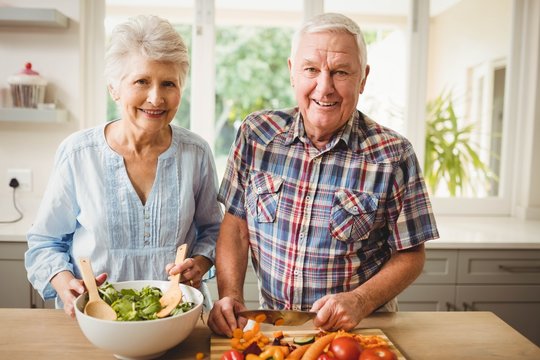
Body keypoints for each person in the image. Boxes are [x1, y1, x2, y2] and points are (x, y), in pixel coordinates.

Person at [208, 13, 439, 336]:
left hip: (359, 329)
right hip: (275, 328)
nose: (324, 87)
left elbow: (412, 253)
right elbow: (235, 226)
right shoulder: (256, 134)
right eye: (311, 70)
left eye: (341, 72)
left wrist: (359, 300)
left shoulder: (393, 155)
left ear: (363, 78)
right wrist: (230, 295)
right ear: (292, 72)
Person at [25, 14, 223, 317]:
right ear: (114, 88)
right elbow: (45, 243)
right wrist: (65, 283)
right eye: (141, 81)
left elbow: (213, 231)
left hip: (178, 317)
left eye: (168, 83)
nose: (156, 98)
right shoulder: (78, 154)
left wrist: (200, 262)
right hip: (96, 317)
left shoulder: (195, 153)